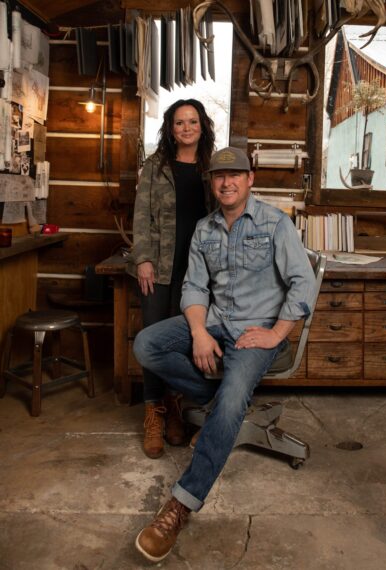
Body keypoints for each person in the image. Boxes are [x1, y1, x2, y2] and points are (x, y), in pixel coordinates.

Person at [132, 146, 316, 563]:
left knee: (233, 398)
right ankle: (221, 409)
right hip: (215, 322)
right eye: (219, 176)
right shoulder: (205, 229)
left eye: (236, 174)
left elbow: (302, 283)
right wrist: (198, 332)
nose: (227, 182)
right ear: (212, 183)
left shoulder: (275, 223)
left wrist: (275, 333)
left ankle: (180, 505)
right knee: (147, 344)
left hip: (256, 331)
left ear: (250, 179)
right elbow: (194, 289)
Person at [130, 99, 215, 459]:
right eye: (179, 122)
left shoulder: (212, 166)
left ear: (201, 126)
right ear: (170, 128)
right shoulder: (156, 165)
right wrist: (143, 259)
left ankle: (175, 405)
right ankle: (154, 410)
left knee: (182, 339)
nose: (186, 128)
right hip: (160, 267)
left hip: (198, 271)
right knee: (152, 336)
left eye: (192, 121)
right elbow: (142, 215)